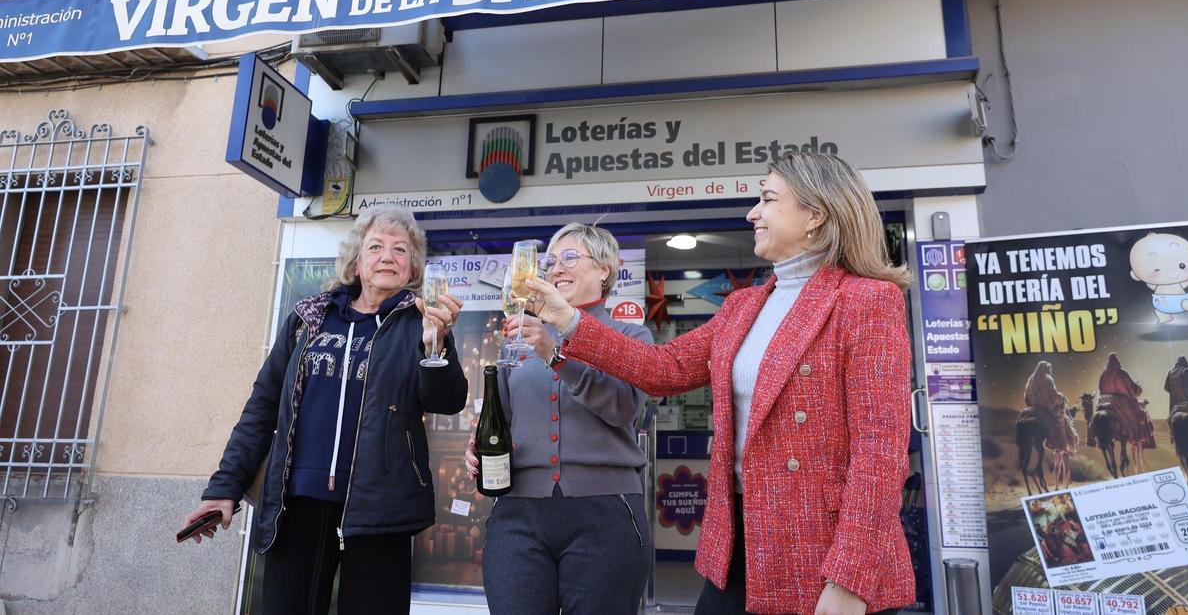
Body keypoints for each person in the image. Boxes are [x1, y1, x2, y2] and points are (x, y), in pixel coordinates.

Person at [527, 151, 915, 615]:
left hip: (823, 550)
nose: (753, 212)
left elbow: (880, 451)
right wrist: (570, 321)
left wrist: (851, 575)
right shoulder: (743, 306)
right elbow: (662, 369)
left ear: (815, 215)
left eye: (768, 198)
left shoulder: (867, 300)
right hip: (738, 546)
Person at [181, 206, 469, 614]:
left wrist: (435, 346)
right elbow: (262, 409)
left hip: (379, 509)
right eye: (376, 247)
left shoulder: (419, 326)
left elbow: (447, 401)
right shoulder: (309, 319)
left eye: (400, 250)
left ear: (412, 269)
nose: (387, 257)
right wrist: (224, 488)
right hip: (297, 505)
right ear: (356, 261)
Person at [465, 222, 653, 614]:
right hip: (518, 514)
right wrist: (480, 447)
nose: (556, 269)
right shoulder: (521, 338)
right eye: (551, 262)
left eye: (570, 258)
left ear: (605, 269)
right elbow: (499, 417)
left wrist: (555, 354)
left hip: (607, 514)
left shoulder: (633, 337)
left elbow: (623, 409)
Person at [1097, 353, 1155, 449]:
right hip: (1120, 402)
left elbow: (1100, 388)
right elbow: (1133, 389)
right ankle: (1137, 437)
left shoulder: (1103, 374)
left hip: (1103, 402)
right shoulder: (1122, 373)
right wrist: (1138, 388)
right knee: (1139, 412)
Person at [1024, 361, 1078, 452]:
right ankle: (1062, 445)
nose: (1050, 371)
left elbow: (1026, 396)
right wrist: (1062, 398)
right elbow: (1054, 398)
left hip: (1033, 407)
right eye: (1050, 369)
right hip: (1046, 408)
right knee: (1062, 418)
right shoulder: (1048, 379)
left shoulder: (1031, 379)